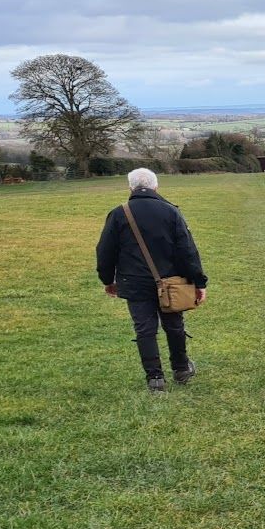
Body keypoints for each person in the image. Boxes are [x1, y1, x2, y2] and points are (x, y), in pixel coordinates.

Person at [95, 167, 207, 391]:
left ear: (130, 187)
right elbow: (187, 250)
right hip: (170, 282)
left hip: (133, 282)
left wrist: (107, 280)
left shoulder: (118, 214)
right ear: (156, 186)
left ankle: (155, 379)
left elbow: (105, 251)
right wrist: (198, 282)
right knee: (174, 325)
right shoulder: (170, 212)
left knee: (144, 329)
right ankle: (181, 369)